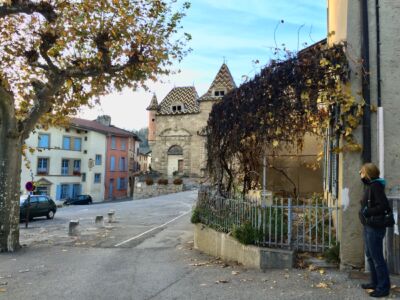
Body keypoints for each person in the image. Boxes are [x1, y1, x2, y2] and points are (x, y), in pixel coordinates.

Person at [359, 163, 391, 298]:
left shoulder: (376, 186)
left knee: (377, 258)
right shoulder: (371, 185)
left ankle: (383, 287)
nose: (360, 175)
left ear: (368, 173)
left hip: (375, 227)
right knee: (370, 256)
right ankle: (375, 282)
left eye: (361, 172)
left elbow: (383, 206)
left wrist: (367, 212)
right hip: (369, 226)